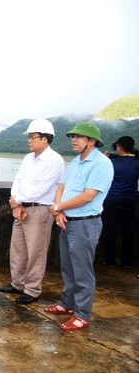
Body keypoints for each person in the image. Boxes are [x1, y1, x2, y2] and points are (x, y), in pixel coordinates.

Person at [47, 122, 114, 331]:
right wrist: (59, 210)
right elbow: (62, 186)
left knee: (83, 271)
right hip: (67, 221)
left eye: (79, 137)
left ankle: (82, 314)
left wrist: (58, 207)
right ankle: (67, 304)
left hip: (85, 224)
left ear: (91, 141)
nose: (74, 140)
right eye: (72, 137)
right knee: (68, 267)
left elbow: (88, 196)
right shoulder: (76, 161)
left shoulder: (101, 164)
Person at [0, 119, 65, 303]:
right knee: (17, 249)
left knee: (36, 251)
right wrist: (16, 202)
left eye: (33, 137)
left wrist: (16, 200)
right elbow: (18, 181)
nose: (29, 140)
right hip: (21, 209)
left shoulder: (55, 160)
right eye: (29, 137)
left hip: (40, 210)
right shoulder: (28, 158)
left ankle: (32, 290)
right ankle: (17, 283)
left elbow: (42, 188)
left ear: (45, 139)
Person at [101, 136, 139, 269]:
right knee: (127, 231)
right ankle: (126, 262)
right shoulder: (136, 163)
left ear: (119, 147)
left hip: (112, 200)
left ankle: (110, 260)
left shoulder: (111, 163)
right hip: (130, 200)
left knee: (111, 231)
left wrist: (106, 158)